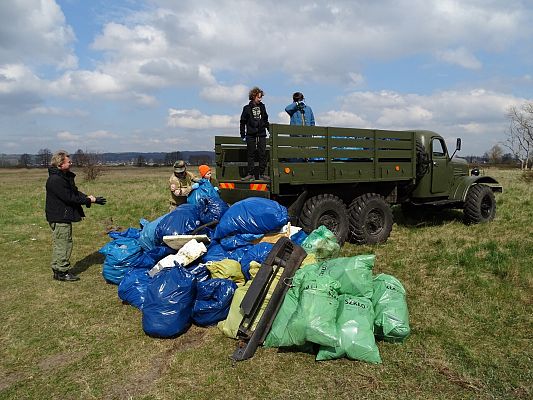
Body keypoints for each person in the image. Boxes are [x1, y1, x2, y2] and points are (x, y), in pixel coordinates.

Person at [45, 150, 106, 282]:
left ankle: (58, 269)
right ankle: (62, 272)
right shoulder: (56, 180)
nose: (71, 163)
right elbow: (70, 198)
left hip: (60, 216)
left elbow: (74, 192)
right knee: (64, 244)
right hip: (60, 217)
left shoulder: (62, 177)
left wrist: (90, 198)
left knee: (61, 243)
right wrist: (89, 201)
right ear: (60, 164)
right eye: (69, 161)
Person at [240, 86, 269, 181]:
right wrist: (242, 134)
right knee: (251, 154)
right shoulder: (247, 108)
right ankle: (250, 174)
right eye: (258, 97)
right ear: (253, 97)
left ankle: (261, 174)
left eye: (261, 97)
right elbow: (242, 121)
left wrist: (269, 130)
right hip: (251, 134)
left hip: (261, 133)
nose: (260, 99)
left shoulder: (262, 107)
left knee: (262, 153)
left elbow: (265, 119)